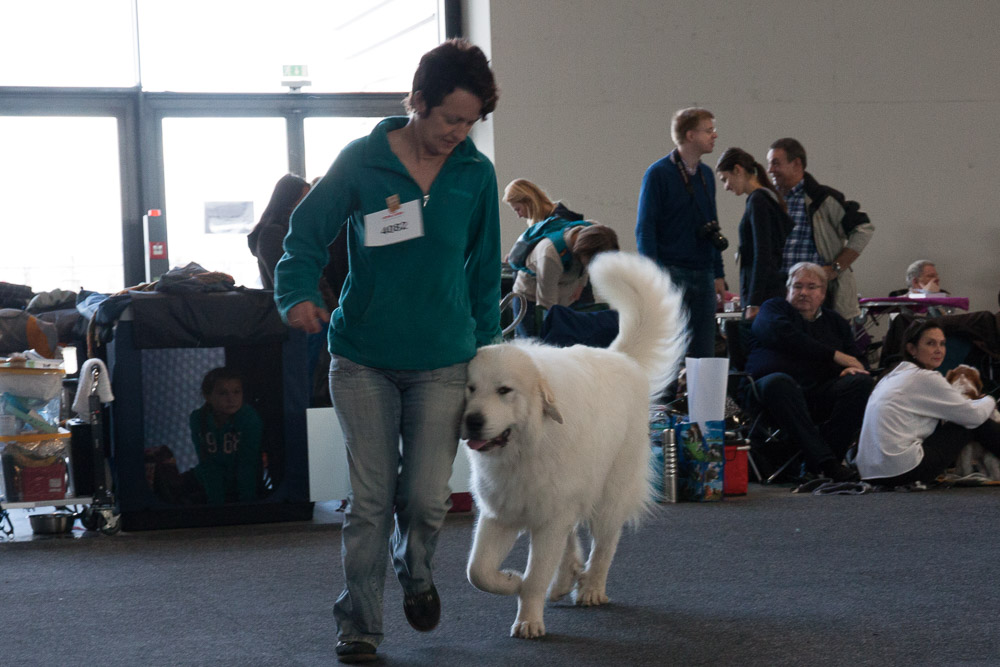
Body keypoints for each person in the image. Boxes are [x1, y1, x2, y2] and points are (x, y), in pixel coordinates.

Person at [273, 38, 501, 664]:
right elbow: (303, 235)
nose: (460, 131)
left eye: (471, 121)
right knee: (372, 500)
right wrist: (294, 293)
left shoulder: (476, 174)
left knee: (427, 498)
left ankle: (417, 570)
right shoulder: (362, 162)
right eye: (451, 117)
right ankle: (359, 625)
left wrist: (489, 359)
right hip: (363, 357)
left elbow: (485, 272)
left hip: (445, 359)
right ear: (418, 102)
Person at [742, 262, 874, 481]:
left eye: (811, 287)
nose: (803, 292)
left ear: (823, 293)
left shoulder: (835, 322)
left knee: (860, 382)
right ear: (788, 290)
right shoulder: (772, 309)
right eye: (797, 286)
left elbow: (859, 361)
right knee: (780, 382)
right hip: (768, 394)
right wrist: (835, 357)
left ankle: (822, 462)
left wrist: (851, 368)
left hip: (818, 392)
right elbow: (788, 337)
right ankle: (827, 464)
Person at [857, 321, 1000, 485]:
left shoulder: (893, 375)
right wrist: (989, 399)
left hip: (870, 473)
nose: (939, 350)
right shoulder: (924, 378)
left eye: (942, 344)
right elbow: (973, 417)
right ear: (912, 349)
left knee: (965, 417)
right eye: (931, 343)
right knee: (974, 422)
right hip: (902, 471)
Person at [636, 107, 726, 358]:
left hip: (704, 273)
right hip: (671, 271)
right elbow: (645, 228)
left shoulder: (706, 175)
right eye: (708, 130)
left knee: (705, 351)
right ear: (690, 135)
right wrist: (653, 275)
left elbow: (712, 226)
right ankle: (665, 399)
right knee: (668, 349)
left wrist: (718, 273)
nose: (714, 135)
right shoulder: (659, 174)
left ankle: (700, 398)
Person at [766, 138, 874, 321]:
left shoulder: (823, 198)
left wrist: (836, 267)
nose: (770, 170)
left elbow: (864, 228)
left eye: (776, 163)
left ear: (797, 163)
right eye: (769, 164)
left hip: (824, 298)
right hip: (781, 294)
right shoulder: (768, 200)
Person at [716, 147, 793, 319]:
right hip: (772, 291)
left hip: (764, 298)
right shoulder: (769, 199)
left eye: (725, 179)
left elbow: (763, 253)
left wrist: (753, 301)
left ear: (737, 170)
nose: (726, 187)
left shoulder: (758, 201)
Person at [508, 220, 619, 337]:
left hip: (563, 296)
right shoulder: (550, 254)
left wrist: (581, 284)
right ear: (584, 252)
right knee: (532, 344)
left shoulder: (591, 232)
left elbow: (587, 265)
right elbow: (547, 305)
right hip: (531, 301)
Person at [188, 367, 263, 505]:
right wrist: (216, 503)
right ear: (207, 396)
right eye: (223, 393)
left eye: (236, 392)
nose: (231, 399)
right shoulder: (198, 419)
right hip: (209, 481)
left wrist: (248, 502)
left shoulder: (249, 418)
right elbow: (207, 463)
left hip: (243, 482)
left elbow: (248, 464)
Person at [247, 174, 311, 289]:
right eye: (303, 201)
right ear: (288, 201)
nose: (307, 207)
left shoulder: (282, 231)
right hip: (291, 304)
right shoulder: (272, 234)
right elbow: (286, 280)